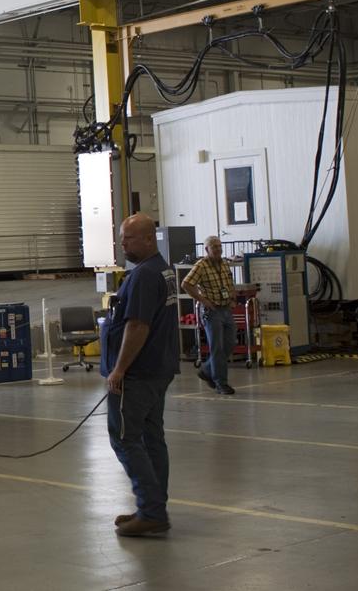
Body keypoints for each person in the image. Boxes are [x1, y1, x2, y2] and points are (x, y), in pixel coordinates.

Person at [102, 213, 180, 537]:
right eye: (122, 238)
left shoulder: (146, 275)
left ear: (149, 239)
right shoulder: (161, 269)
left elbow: (138, 326)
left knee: (125, 438)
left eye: (128, 238)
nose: (123, 244)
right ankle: (153, 506)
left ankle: (151, 511)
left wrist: (119, 369)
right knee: (151, 439)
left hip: (138, 374)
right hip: (157, 369)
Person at [181, 236, 237, 395]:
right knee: (217, 348)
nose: (218, 249)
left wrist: (233, 298)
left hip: (226, 309)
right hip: (211, 311)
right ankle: (221, 383)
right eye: (214, 247)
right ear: (207, 250)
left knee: (230, 342)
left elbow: (229, 282)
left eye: (219, 246)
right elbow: (186, 284)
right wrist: (203, 300)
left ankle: (206, 369)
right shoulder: (201, 265)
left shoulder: (225, 263)